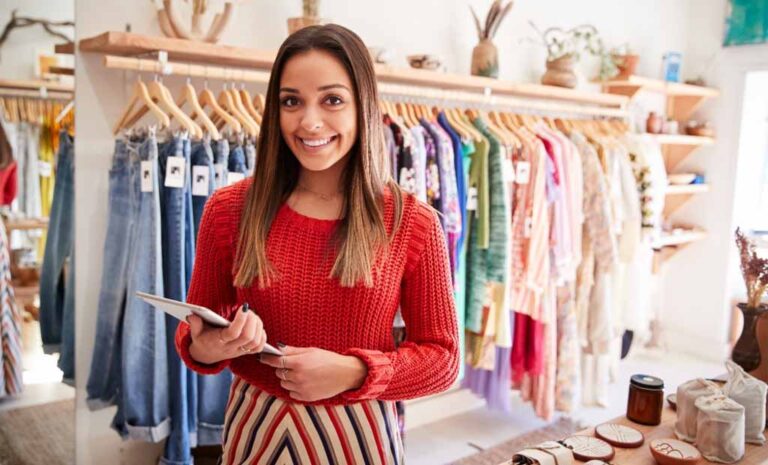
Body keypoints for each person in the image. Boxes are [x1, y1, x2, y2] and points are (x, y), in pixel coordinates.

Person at [175, 24, 458, 465]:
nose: (309, 122)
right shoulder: (229, 209)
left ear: (362, 105)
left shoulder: (412, 222)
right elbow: (195, 335)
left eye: (332, 100)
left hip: (360, 432)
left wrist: (354, 371)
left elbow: (443, 359)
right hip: (256, 427)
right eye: (292, 101)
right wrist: (214, 346)